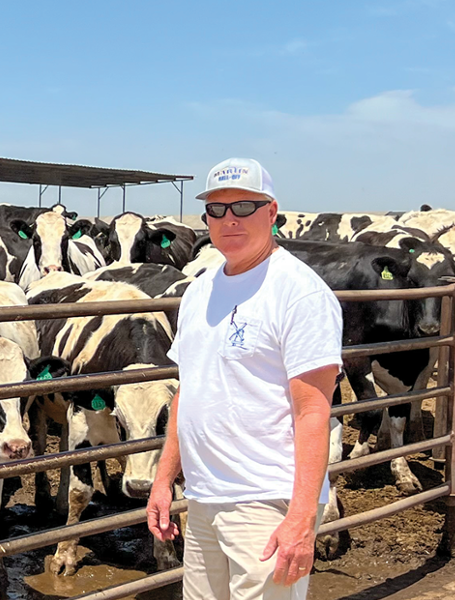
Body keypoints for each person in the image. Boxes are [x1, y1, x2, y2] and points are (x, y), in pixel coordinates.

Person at [146, 157, 342, 600]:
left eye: (244, 207)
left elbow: (314, 410)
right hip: (204, 498)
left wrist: (301, 516)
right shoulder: (199, 290)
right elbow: (188, 392)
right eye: (216, 210)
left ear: (271, 212)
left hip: (267, 502)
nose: (228, 219)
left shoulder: (300, 293)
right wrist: (163, 480)